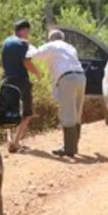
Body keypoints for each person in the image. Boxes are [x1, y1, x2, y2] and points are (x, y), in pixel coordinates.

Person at [28, 29, 86, 157]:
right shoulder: (70, 47)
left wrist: (27, 45)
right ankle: (74, 145)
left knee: (67, 112)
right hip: (81, 76)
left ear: (51, 38)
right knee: (77, 111)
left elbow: (34, 55)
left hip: (66, 78)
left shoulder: (52, 45)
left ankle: (69, 148)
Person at [1, 19, 41, 152]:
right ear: (24, 30)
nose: (28, 34)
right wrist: (37, 73)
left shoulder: (6, 42)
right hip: (21, 80)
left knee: (9, 112)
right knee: (27, 112)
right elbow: (26, 62)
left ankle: (9, 140)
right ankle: (16, 142)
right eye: (27, 31)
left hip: (7, 79)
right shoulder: (22, 43)